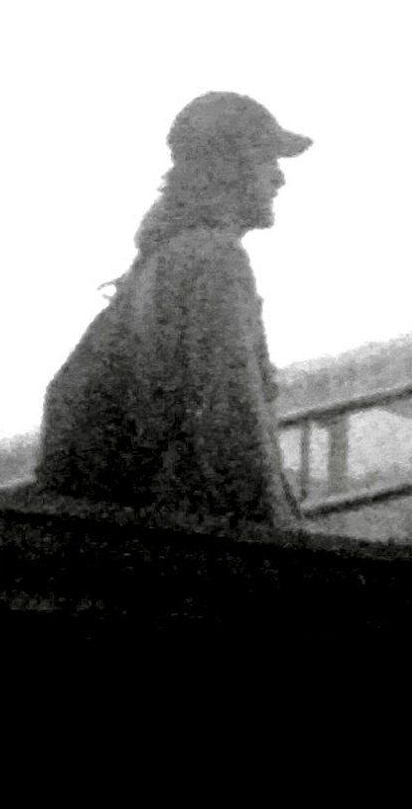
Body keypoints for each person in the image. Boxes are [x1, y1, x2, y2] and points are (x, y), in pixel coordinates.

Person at [37, 93, 313, 531]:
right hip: (193, 542)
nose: (279, 178)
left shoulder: (162, 262)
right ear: (230, 167)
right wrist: (276, 536)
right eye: (267, 160)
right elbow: (230, 415)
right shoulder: (212, 260)